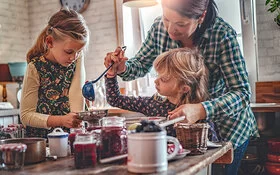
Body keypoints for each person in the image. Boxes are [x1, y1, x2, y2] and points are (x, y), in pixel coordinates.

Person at [104, 0, 259, 174]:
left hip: (227, 129)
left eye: (181, 24)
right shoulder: (158, 28)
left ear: (201, 16)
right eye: (166, 19)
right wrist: (122, 68)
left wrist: (201, 110)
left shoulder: (222, 35)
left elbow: (242, 93)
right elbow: (140, 64)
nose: (170, 29)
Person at [106, 48, 219, 139]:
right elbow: (115, 99)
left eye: (164, 79)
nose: (156, 81)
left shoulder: (197, 114)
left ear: (184, 88)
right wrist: (111, 75)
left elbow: (212, 147)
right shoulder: (152, 104)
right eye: (157, 75)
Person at [20, 8, 90, 138]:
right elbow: (26, 116)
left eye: (79, 52)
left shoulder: (75, 60)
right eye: (69, 52)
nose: (74, 57)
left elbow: (76, 103)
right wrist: (61, 120)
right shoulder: (35, 67)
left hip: (71, 138)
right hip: (43, 142)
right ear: (50, 42)